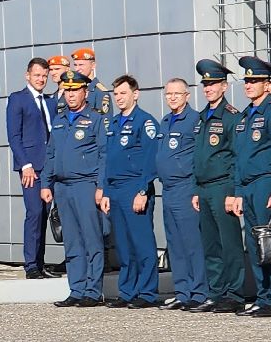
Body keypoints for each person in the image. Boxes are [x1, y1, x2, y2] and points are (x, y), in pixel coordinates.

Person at [228, 57, 271, 317]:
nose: (249, 85)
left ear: (267, 85)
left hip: (267, 184)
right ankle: (262, 295)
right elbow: (238, 157)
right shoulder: (245, 116)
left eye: (254, 81)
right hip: (247, 186)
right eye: (246, 80)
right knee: (255, 244)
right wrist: (237, 191)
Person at [43, 67, 106, 308]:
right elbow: (51, 154)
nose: (70, 95)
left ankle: (93, 290)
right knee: (71, 241)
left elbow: (104, 155)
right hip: (62, 187)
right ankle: (77, 288)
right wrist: (45, 183)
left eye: (75, 90)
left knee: (91, 238)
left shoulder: (96, 119)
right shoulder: (59, 121)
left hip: (85, 185)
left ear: (85, 92)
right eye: (66, 90)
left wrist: (100, 187)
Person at [100, 74, 159, 307]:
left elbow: (151, 159)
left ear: (135, 94)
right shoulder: (113, 123)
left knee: (141, 243)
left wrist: (143, 191)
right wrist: (105, 191)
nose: (119, 98)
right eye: (116, 94)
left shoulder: (145, 122)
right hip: (115, 190)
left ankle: (147, 293)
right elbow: (108, 161)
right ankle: (127, 292)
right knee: (123, 246)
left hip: (134, 188)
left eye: (123, 93)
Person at [191, 58, 245, 312]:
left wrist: (233, 192)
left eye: (213, 84)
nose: (208, 89)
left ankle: (233, 293)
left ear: (224, 86)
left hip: (223, 186)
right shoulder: (203, 117)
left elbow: (237, 157)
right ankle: (216, 291)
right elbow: (199, 156)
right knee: (210, 243)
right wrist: (195, 188)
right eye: (205, 85)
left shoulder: (232, 117)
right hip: (203, 187)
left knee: (229, 243)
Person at [154, 77, 206, 309]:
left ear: (187, 95)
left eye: (177, 94)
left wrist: (196, 188)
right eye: (169, 94)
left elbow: (198, 157)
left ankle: (199, 291)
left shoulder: (195, 120)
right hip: (168, 189)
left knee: (191, 242)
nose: (172, 98)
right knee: (174, 243)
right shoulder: (165, 121)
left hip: (186, 188)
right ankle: (182, 290)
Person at [6, 57, 55, 278]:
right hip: (31, 167)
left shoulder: (49, 101)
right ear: (28, 75)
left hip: (49, 166)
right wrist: (25, 165)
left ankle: (40, 262)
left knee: (44, 213)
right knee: (34, 212)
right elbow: (14, 136)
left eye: (44, 76)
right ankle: (31, 264)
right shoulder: (18, 99)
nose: (41, 79)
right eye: (37, 75)